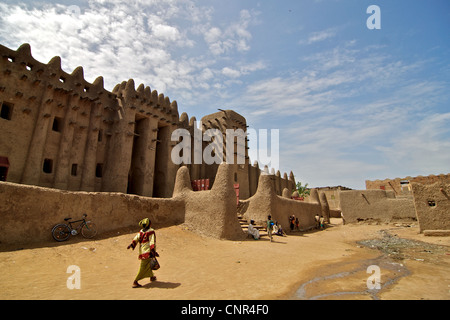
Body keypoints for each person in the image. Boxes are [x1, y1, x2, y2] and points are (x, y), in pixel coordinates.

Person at [127, 218, 159, 288]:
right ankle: (135, 281)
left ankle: (152, 276)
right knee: (143, 267)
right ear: (149, 224)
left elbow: (136, 238)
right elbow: (151, 242)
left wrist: (131, 244)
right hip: (148, 252)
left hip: (142, 252)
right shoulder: (151, 231)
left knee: (148, 264)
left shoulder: (141, 231)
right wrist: (153, 251)